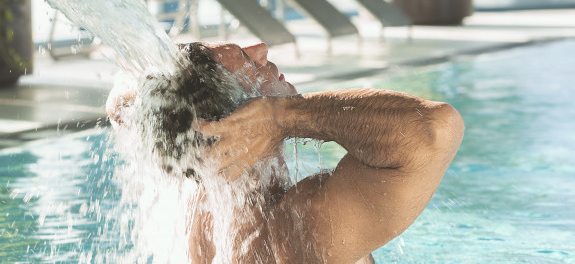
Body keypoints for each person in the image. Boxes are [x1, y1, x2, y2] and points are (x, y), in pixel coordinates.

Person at [107, 42, 464, 263]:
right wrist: (283, 116)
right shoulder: (299, 228)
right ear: (243, 116)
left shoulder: (205, 205)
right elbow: (436, 129)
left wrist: (197, 71)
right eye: (248, 59)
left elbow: (119, 103)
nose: (262, 49)